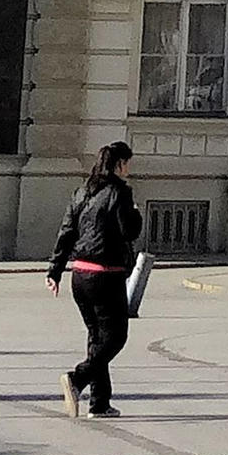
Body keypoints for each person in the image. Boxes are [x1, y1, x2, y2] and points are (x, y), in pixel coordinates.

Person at [47, 142, 141, 420]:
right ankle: (77, 379)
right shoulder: (120, 193)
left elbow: (66, 232)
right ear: (120, 164)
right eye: (128, 164)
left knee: (96, 338)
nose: (129, 170)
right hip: (106, 275)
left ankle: (99, 403)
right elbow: (130, 231)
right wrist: (135, 211)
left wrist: (54, 270)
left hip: (80, 275)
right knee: (116, 337)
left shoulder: (82, 192)